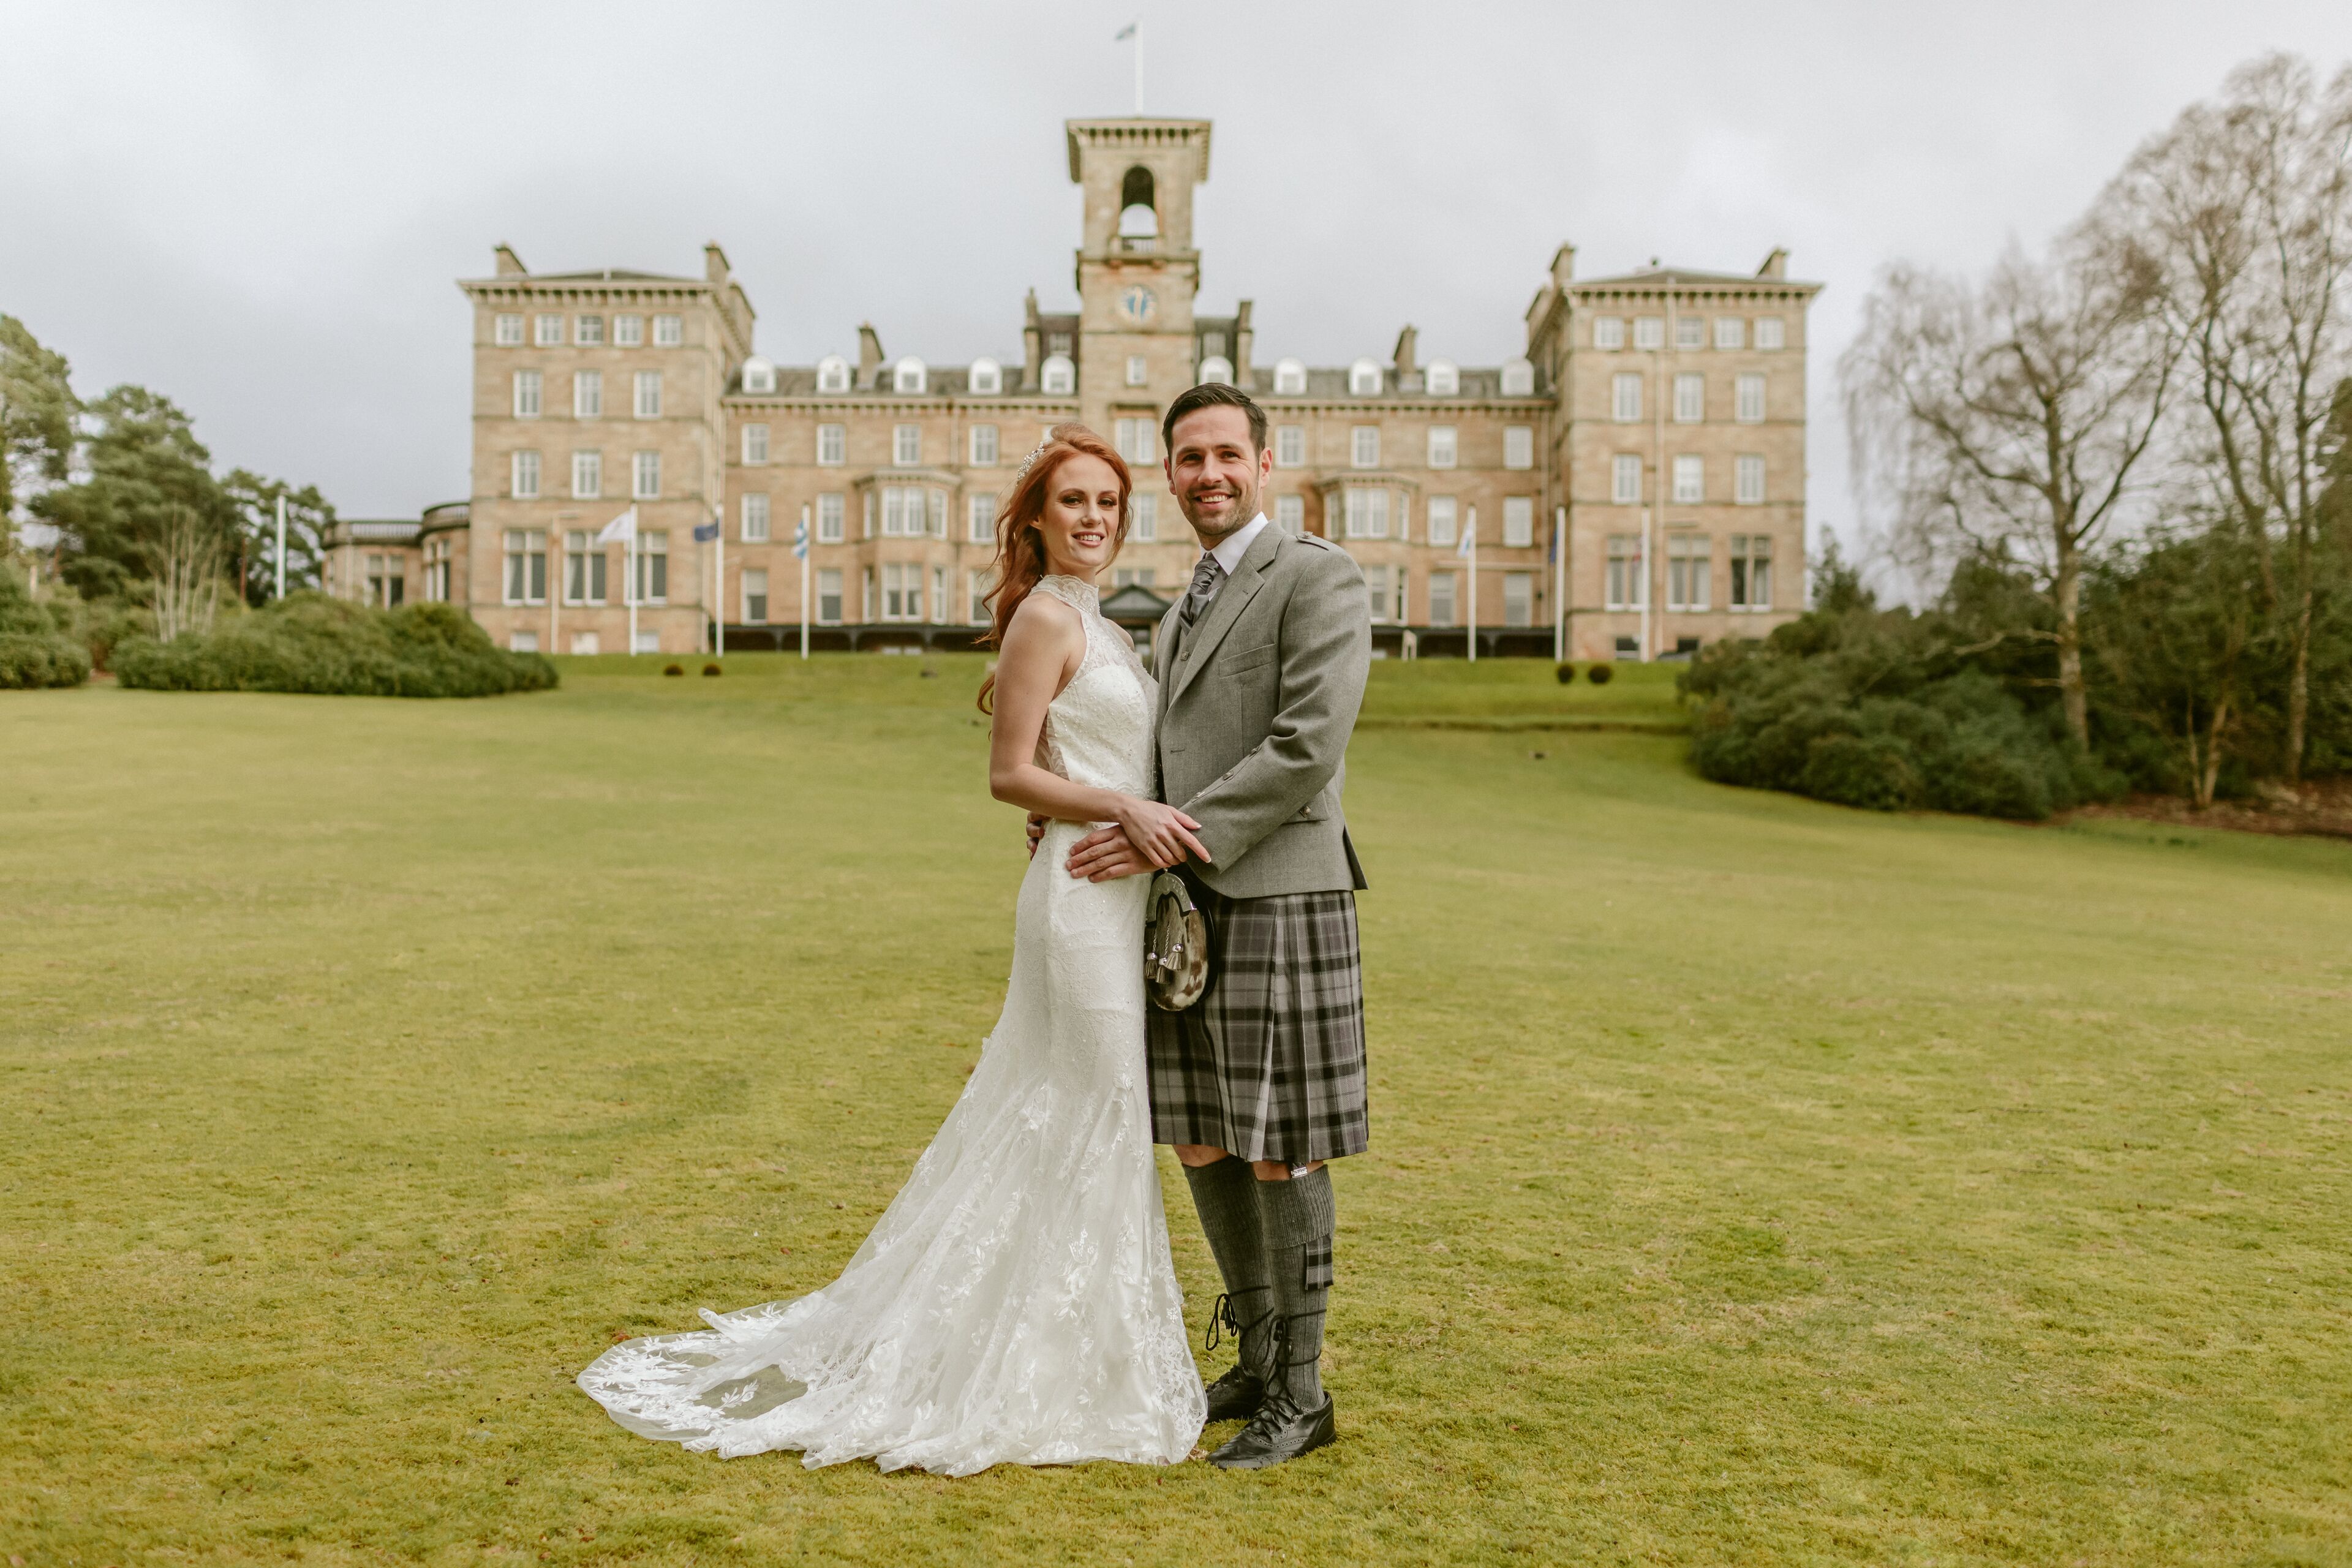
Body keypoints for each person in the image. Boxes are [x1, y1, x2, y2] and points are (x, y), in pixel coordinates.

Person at [577, 425, 1207, 1475]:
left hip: (1116, 891)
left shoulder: (1104, 624)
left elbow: (1084, 760)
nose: (1094, 518)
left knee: (1080, 1113)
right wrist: (1118, 809)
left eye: (1109, 502)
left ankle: (1067, 1349)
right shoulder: (1046, 618)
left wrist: (1113, 807)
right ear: (1037, 520)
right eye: (1074, 501)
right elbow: (1008, 773)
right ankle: (1041, 1366)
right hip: (1078, 901)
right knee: (1091, 1109)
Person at [1060, 382, 1373, 1469]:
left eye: (1227, 455)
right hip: (1190, 906)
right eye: (1190, 459)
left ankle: (1304, 1393)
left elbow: (1307, 746)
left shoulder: (1317, 575)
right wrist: (1086, 814)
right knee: (1200, 1132)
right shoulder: (1183, 603)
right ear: (1171, 474)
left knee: (1282, 1145)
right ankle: (1256, 1351)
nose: (1210, 475)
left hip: (1280, 889)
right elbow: (1157, 750)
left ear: (1265, 463)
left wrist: (1165, 839)